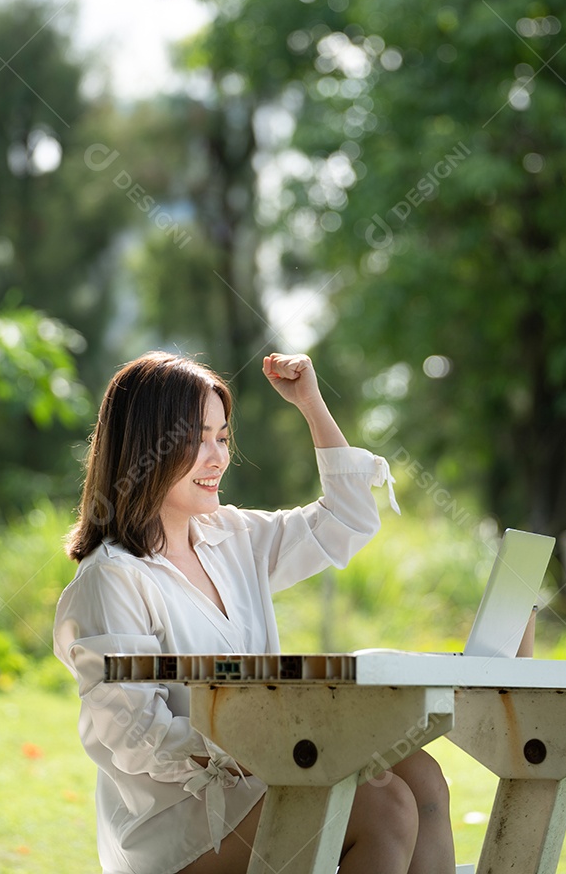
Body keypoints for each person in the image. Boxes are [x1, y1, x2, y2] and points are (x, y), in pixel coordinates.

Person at [54, 350, 455, 874]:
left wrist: (310, 403)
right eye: (196, 438)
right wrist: (274, 741)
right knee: (384, 807)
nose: (217, 457)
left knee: (420, 776)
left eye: (222, 437)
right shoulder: (112, 579)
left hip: (264, 774)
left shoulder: (232, 535)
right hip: (177, 822)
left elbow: (348, 520)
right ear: (143, 447)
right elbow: (136, 738)